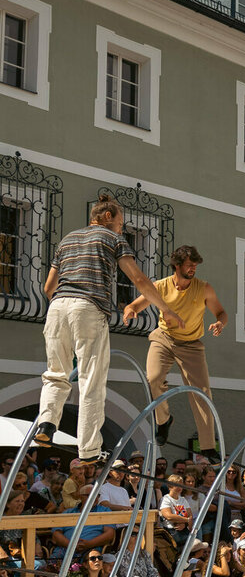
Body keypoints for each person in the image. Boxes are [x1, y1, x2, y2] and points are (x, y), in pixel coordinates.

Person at [35, 193, 184, 463]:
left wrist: (65, 304)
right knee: (91, 380)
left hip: (57, 308)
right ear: (106, 217)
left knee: (56, 374)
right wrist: (166, 309)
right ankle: (89, 449)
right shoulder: (112, 239)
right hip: (88, 308)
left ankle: (46, 425)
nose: (122, 228)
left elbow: (48, 288)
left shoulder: (67, 239)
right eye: (121, 223)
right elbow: (138, 278)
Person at [123, 245, 227, 463]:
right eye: (190, 265)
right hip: (164, 338)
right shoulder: (160, 286)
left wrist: (220, 323)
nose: (193, 269)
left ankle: (208, 445)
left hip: (191, 345)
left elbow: (221, 312)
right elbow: (136, 304)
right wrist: (130, 310)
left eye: (196, 265)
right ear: (177, 265)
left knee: (202, 393)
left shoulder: (204, 288)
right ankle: (163, 420)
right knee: (153, 378)